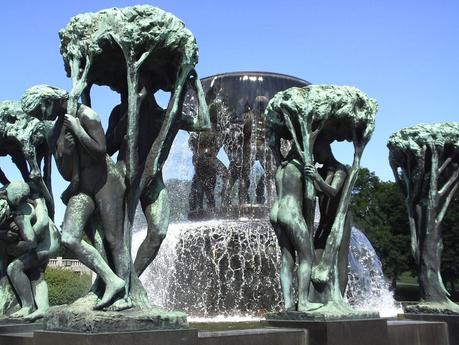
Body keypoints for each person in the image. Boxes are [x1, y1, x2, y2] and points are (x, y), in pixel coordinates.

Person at [21, 85, 129, 310]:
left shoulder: (86, 115)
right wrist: (67, 153)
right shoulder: (53, 133)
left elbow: (101, 150)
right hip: (82, 187)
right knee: (69, 238)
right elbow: (64, 172)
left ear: (48, 101)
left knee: (114, 239)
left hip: (106, 182)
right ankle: (112, 280)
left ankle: (124, 295)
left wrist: (79, 131)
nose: (42, 117)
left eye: (41, 112)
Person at [0, 181, 60, 320]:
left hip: (46, 244)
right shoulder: (10, 204)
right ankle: (43, 308)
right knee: (35, 273)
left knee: (14, 268)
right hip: (49, 240)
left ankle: (27, 306)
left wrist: (12, 248)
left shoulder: (20, 214)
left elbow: (31, 242)